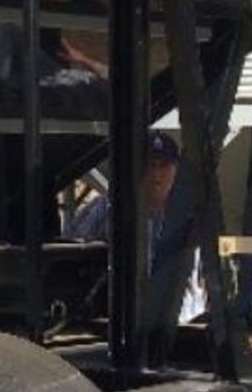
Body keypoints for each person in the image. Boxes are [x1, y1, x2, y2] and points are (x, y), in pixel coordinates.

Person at [66, 132, 207, 323]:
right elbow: (71, 253)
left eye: (163, 165)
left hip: (183, 327)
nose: (156, 174)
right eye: (150, 165)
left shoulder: (193, 215)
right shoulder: (106, 210)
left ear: (176, 170)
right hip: (123, 327)